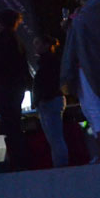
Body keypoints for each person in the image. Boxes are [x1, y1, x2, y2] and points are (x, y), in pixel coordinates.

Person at [60, 0, 100, 163]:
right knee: (87, 107)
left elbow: (90, 29)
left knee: (93, 105)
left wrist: (72, 22)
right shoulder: (85, 8)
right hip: (81, 63)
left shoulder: (97, 5)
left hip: (90, 62)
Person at [0, 8, 31, 171]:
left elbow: (0, 65)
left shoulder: (3, 41)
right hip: (16, 88)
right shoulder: (17, 40)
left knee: (11, 125)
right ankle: (19, 159)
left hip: (7, 88)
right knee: (14, 124)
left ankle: (17, 161)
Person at [33, 35, 69, 168]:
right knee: (54, 137)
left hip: (49, 100)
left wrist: (41, 98)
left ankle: (61, 164)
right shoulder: (50, 61)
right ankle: (60, 163)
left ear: (46, 45)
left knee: (55, 137)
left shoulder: (48, 62)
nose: (35, 47)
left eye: (38, 43)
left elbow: (46, 82)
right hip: (50, 100)